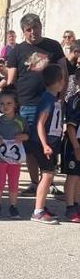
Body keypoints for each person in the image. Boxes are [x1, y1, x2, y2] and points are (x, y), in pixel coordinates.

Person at [6, 13, 66, 196]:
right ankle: (34, 182)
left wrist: (61, 97)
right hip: (26, 104)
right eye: (28, 29)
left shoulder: (53, 46)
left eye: (36, 27)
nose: (33, 32)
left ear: (41, 26)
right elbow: (11, 78)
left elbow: (63, 71)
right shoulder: (16, 50)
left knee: (51, 141)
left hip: (50, 101)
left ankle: (49, 179)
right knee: (30, 146)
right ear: (23, 31)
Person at [30, 64, 64, 224]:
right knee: (48, 174)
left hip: (51, 142)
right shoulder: (48, 99)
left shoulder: (53, 98)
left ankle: (41, 206)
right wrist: (44, 144)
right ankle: (38, 211)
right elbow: (40, 124)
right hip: (43, 143)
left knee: (48, 174)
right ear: (59, 80)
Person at [0, 91, 29, 219]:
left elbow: (28, 134)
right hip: (0, 157)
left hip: (15, 159)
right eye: (2, 104)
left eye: (9, 103)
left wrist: (23, 136)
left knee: (13, 182)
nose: (5, 106)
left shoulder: (20, 121)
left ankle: (13, 206)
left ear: (15, 105)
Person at [61, 88, 80, 223]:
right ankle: (70, 207)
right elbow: (70, 126)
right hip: (74, 143)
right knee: (73, 176)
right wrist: (76, 147)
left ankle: (77, 204)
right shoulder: (75, 101)